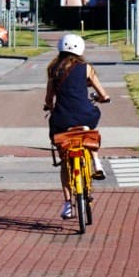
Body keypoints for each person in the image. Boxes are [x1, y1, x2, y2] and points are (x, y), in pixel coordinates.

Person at [43, 33, 109, 219]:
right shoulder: (86, 68)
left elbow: (49, 98)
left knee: (65, 162)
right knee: (91, 122)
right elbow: (103, 94)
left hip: (62, 120)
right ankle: (96, 161)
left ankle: (67, 205)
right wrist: (102, 98)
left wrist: (48, 105)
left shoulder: (53, 69)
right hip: (84, 116)